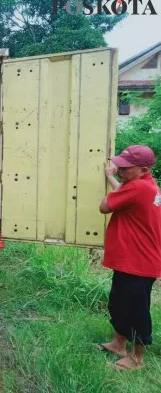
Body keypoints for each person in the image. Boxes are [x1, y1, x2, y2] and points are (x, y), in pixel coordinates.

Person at [97, 145, 161, 370]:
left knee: (136, 311)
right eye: (119, 165)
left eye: (125, 167)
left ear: (143, 170)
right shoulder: (147, 186)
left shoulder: (137, 188)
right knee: (119, 304)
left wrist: (115, 182)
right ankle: (118, 344)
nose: (120, 170)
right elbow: (123, 197)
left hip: (138, 262)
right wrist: (112, 179)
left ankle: (137, 359)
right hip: (134, 260)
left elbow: (105, 206)